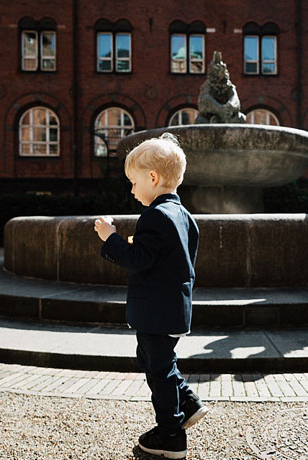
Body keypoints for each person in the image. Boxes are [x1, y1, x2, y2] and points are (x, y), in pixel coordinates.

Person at [94, 133, 207, 459]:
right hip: (172, 307)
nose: (131, 189)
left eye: (133, 182)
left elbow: (138, 261)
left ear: (153, 178)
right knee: (153, 358)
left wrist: (110, 238)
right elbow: (168, 258)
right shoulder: (182, 215)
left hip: (156, 310)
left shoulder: (155, 216)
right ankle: (187, 401)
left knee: (157, 368)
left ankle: (171, 433)